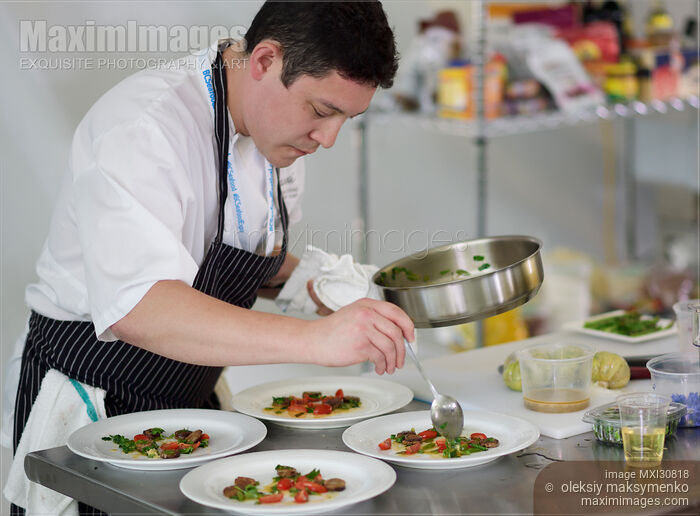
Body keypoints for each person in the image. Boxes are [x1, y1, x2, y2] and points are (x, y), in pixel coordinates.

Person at [7, 2, 413, 514]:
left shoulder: (279, 140)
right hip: (95, 399)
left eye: (345, 119)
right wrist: (316, 340)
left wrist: (333, 287)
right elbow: (141, 308)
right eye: (321, 110)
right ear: (264, 62)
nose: (328, 139)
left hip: (192, 403)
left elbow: (235, 257)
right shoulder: (143, 127)